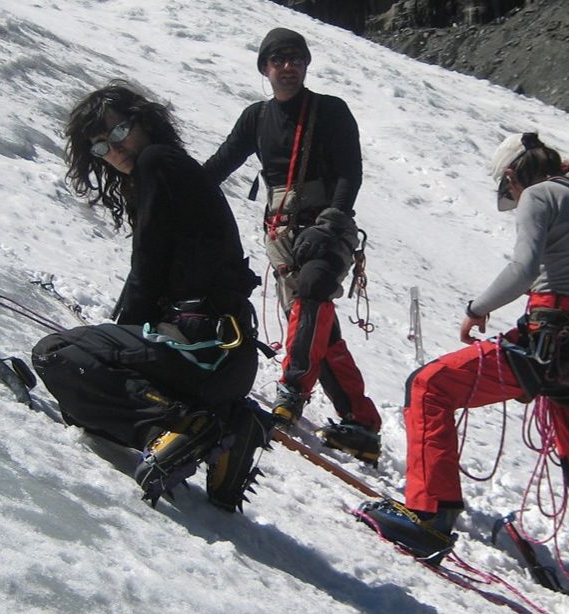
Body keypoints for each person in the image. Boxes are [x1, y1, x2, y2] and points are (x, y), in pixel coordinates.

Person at [357, 133, 569, 613]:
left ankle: (429, 516)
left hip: (547, 337)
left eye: (508, 187)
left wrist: (477, 308)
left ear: (513, 174)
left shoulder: (539, 194)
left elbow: (523, 267)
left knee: (429, 386)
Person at [31, 81, 270, 512]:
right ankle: (227, 424)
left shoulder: (156, 162)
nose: (115, 149)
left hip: (199, 350)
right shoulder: (173, 168)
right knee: (87, 398)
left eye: (119, 132)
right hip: (226, 357)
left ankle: (177, 428)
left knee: (57, 355)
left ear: (143, 122)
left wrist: (119, 342)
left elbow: (149, 265)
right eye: (102, 147)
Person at [201, 27, 381, 463]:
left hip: (326, 227)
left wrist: (332, 219)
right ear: (265, 68)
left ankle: (292, 392)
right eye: (279, 59)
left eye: (295, 59)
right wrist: (182, 188)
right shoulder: (256, 119)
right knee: (315, 326)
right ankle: (361, 422)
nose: (288, 66)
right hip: (282, 234)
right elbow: (222, 162)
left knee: (312, 293)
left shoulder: (330, 111)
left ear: (305, 65)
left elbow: (349, 173)